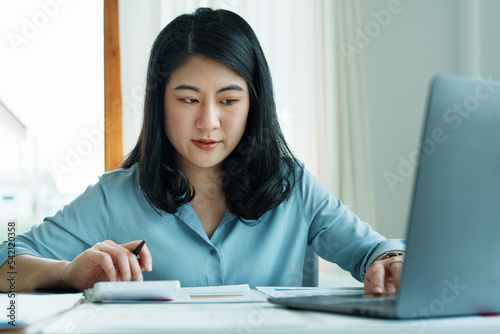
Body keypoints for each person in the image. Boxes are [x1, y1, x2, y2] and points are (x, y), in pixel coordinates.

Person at [0, 8, 405, 293]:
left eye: (228, 101)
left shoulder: (292, 187)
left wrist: (390, 261)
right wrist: (68, 272)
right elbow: (6, 265)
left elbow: (376, 251)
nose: (208, 122)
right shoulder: (116, 196)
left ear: (254, 104)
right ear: (159, 103)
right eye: (188, 100)